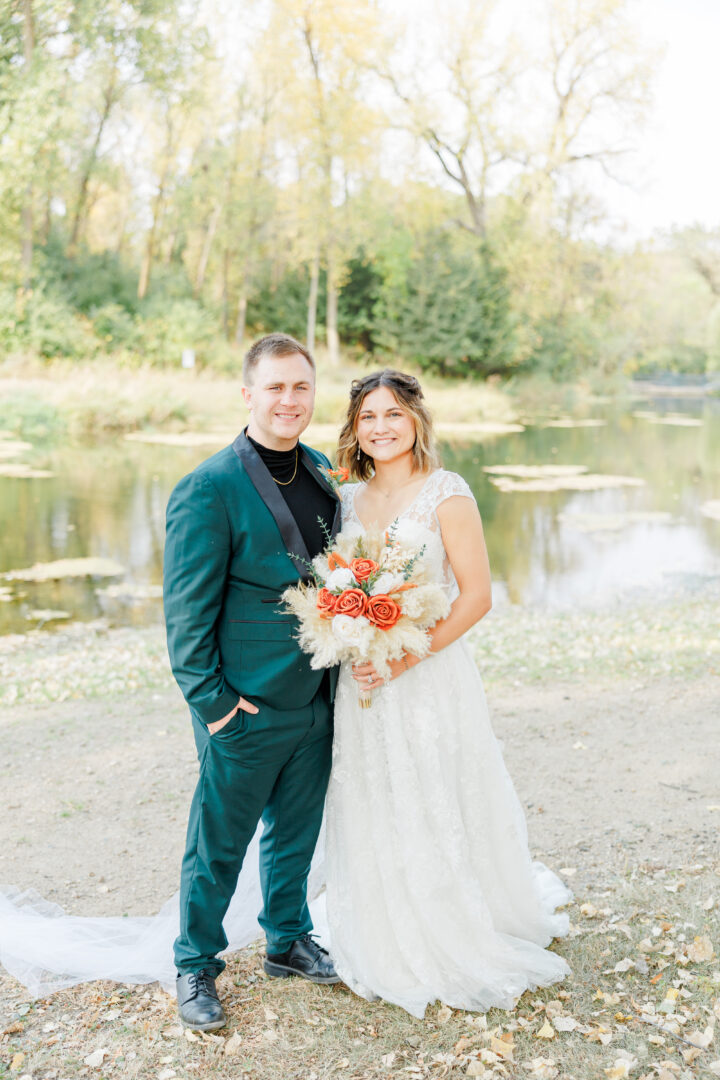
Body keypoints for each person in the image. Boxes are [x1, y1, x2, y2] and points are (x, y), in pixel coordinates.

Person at [322, 369, 571, 1017]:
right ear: (355, 427)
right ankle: (383, 921)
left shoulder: (447, 495)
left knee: (432, 791)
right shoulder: (344, 498)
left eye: (393, 415)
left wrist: (407, 657)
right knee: (375, 793)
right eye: (368, 416)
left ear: (416, 422)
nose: (380, 427)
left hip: (427, 674)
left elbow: (477, 596)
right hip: (361, 680)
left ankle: (447, 925)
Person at [163, 332, 342, 1030]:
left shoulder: (321, 470)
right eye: (275, 387)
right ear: (248, 395)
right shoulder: (207, 488)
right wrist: (215, 709)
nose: (289, 400)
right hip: (243, 704)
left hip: (316, 699)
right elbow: (185, 619)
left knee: (296, 832)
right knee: (218, 846)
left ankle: (288, 940)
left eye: (300, 387)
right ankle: (195, 964)